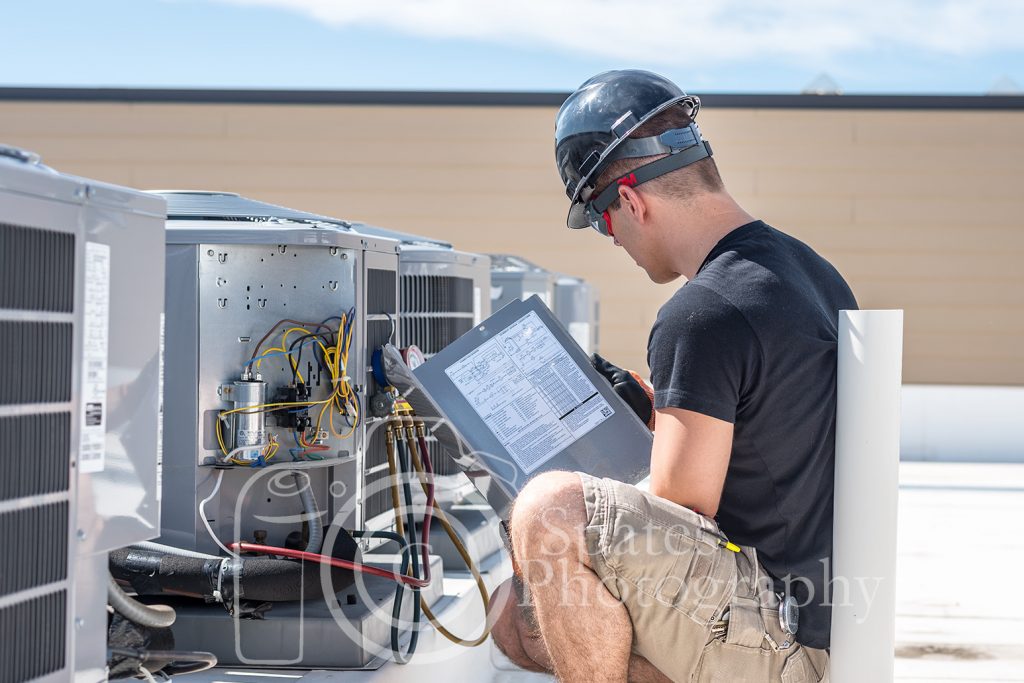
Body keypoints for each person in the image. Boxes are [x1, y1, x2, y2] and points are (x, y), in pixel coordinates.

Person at [488, 70, 857, 682]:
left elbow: (685, 512)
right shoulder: (808, 272)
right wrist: (649, 403)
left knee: (547, 513)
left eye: (603, 222)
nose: (613, 240)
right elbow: (771, 429)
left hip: (780, 638)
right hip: (814, 613)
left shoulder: (703, 314)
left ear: (630, 201)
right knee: (516, 616)